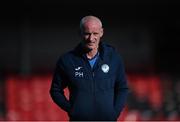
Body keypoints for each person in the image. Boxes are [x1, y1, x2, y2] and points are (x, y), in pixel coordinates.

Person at [50, 15, 129, 121]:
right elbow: (55, 90)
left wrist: (114, 113)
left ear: (101, 32)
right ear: (80, 33)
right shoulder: (67, 60)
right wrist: (72, 109)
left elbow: (122, 89)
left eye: (95, 33)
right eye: (87, 34)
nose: (91, 38)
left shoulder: (114, 58)